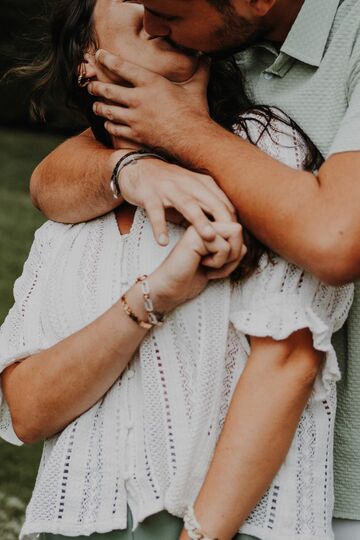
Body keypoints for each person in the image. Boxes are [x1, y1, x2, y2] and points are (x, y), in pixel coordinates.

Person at [0, 1, 354, 540]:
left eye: (163, 8)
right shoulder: (74, 215)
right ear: (88, 63)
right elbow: (24, 410)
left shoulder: (269, 156)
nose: (152, 17)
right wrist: (152, 288)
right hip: (78, 522)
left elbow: (290, 354)